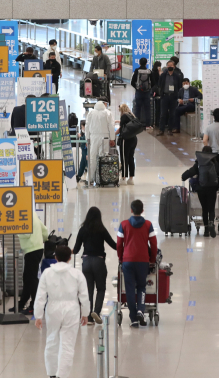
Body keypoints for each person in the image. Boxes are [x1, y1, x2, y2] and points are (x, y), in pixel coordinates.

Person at [34, 246, 89, 378]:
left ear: (55, 257)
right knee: (67, 344)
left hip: (52, 308)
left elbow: (40, 296)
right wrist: (85, 313)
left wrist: (38, 315)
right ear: (70, 257)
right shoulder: (77, 274)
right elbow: (84, 296)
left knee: (51, 340)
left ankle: (51, 376)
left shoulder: (47, 273)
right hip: (71, 309)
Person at [117, 199, 158, 328]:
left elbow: (119, 244)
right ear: (142, 211)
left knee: (129, 289)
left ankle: (133, 319)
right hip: (143, 261)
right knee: (141, 286)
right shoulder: (148, 225)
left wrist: (121, 258)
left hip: (128, 261)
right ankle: (141, 310)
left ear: (131, 210)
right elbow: (154, 243)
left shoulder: (123, 225)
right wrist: (152, 259)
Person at [73, 207, 117, 324]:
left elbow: (76, 249)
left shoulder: (83, 230)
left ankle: (89, 317)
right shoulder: (101, 229)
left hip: (86, 262)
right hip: (99, 262)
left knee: (89, 290)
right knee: (101, 288)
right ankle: (96, 312)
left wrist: (67, 250)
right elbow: (113, 245)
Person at [181, 146, 219, 237]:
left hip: (201, 189)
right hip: (212, 189)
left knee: (204, 209)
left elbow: (190, 172)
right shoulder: (215, 162)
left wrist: (183, 176)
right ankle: (211, 223)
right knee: (211, 208)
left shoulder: (199, 163)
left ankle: (206, 230)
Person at [14, 210, 49, 315]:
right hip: (37, 249)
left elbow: (26, 233)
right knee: (28, 277)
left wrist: (16, 231)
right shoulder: (32, 213)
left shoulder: (23, 215)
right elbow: (45, 230)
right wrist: (42, 239)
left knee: (31, 279)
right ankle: (22, 304)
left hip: (31, 250)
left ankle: (35, 306)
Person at [85, 100, 115, 186]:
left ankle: (89, 179)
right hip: (105, 137)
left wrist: (87, 138)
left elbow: (87, 126)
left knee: (92, 158)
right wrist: (112, 138)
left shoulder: (91, 113)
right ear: (104, 104)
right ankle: (103, 179)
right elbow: (111, 126)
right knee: (103, 157)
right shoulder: (108, 113)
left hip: (93, 137)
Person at [156, 60, 183, 136]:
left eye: (171, 66)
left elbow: (179, 86)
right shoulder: (163, 75)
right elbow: (160, 84)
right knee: (163, 114)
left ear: (174, 67)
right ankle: (161, 130)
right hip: (165, 96)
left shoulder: (177, 76)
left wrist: (177, 95)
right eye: (168, 65)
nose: (169, 67)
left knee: (172, 114)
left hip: (173, 97)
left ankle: (170, 129)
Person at [115, 103, 139, 184]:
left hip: (125, 140)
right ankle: (131, 178)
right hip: (133, 139)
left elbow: (121, 128)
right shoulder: (132, 115)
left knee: (124, 158)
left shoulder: (124, 116)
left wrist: (113, 134)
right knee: (131, 158)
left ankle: (123, 178)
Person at [131, 57, 157, 126]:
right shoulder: (149, 71)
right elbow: (153, 82)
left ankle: (137, 124)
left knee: (138, 108)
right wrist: (148, 88)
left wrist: (137, 88)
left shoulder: (137, 70)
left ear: (139, 63)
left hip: (139, 92)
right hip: (147, 93)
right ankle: (148, 125)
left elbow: (132, 82)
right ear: (146, 63)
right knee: (147, 109)